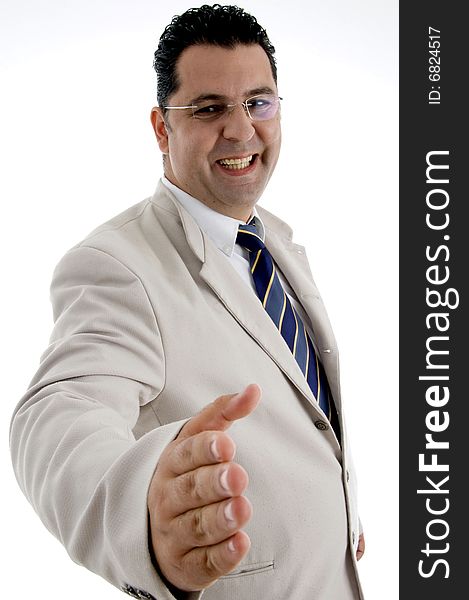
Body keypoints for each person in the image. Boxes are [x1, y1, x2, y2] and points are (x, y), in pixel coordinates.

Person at [10, 4, 365, 599]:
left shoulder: (273, 243)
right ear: (160, 128)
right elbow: (57, 415)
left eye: (259, 103)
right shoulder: (118, 266)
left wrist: (338, 517)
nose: (241, 129)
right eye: (208, 109)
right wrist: (144, 515)